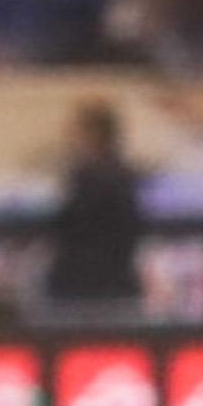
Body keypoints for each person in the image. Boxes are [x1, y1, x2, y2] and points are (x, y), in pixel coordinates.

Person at [38, 99, 143, 312]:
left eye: (75, 131)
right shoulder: (126, 176)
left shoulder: (86, 179)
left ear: (94, 135)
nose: (68, 138)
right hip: (119, 285)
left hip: (81, 290)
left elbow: (69, 230)